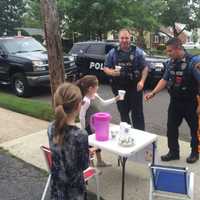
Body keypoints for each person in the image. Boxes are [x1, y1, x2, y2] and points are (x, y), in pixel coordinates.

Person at [145, 37, 200, 163]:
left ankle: (195, 153)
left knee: (194, 129)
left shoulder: (193, 62)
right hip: (175, 102)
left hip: (191, 102)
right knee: (171, 128)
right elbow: (164, 80)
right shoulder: (171, 62)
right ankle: (173, 152)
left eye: (170, 51)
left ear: (178, 49)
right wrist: (153, 92)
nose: (167, 53)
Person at [47, 82, 89, 200]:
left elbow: (60, 151)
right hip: (74, 191)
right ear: (78, 106)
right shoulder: (80, 135)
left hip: (57, 185)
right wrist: (88, 153)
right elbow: (84, 165)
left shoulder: (51, 127)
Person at [103, 28, 149, 130]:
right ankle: (126, 135)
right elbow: (105, 67)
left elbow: (145, 67)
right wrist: (112, 73)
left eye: (127, 38)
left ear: (130, 38)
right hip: (119, 89)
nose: (124, 40)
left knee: (137, 114)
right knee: (123, 113)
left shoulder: (138, 52)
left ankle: (140, 137)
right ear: (119, 39)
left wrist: (142, 81)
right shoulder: (112, 53)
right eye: (122, 38)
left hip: (134, 88)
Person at [76, 75, 120, 167]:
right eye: (97, 85)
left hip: (97, 124)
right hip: (88, 126)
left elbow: (103, 103)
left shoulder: (94, 95)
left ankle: (99, 161)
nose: (98, 87)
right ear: (90, 88)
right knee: (90, 146)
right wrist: (83, 128)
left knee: (97, 143)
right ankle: (91, 166)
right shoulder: (86, 100)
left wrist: (115, 99)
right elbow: (81, 115)